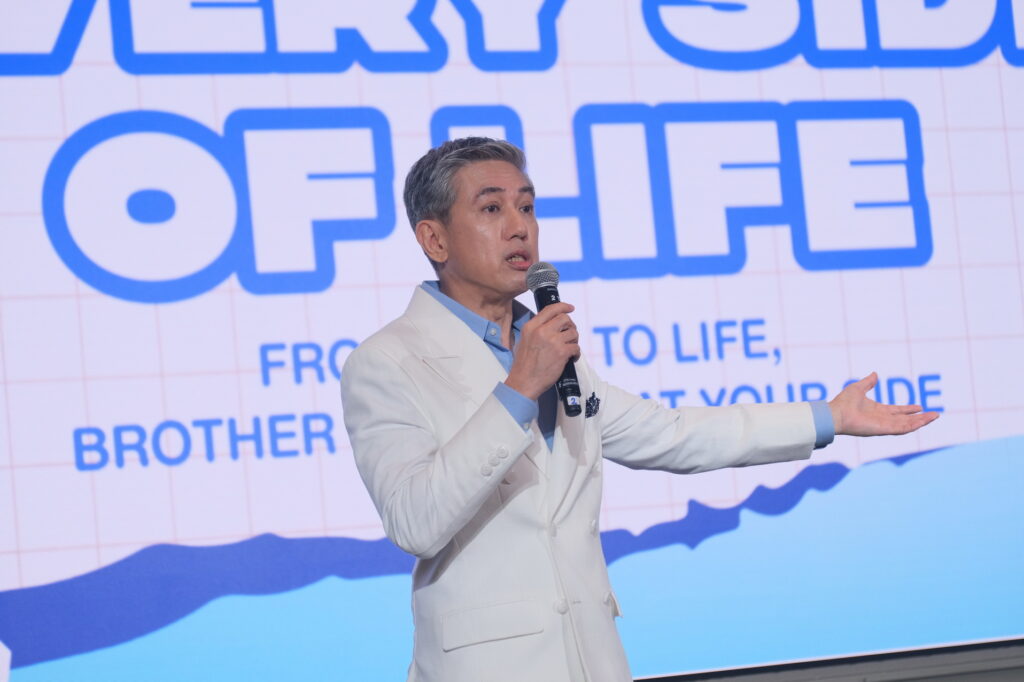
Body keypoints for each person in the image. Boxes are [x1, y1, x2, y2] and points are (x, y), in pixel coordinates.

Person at [340, 138, 938, 682]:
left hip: (592, 659)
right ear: (435, 239)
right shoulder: (387, 362)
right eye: (492, 208)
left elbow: (673, 434)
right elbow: (415, 522)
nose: (520, 227)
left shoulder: (552, 355)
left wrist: (827, 418)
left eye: (527, 206)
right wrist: (519, 389)